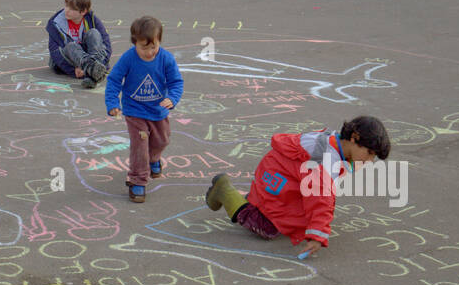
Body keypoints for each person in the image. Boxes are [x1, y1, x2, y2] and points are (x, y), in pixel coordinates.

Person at [205, 116, 392, 256]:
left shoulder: (335, 143)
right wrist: (318, 236)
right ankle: (225, 190)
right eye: (368, 153)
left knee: (297, 218)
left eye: (373, 157)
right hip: (276, 177)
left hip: (284, 176)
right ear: (354, 137)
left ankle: (253, 199)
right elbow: (321, 198)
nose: (369, 160)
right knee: (268, 227)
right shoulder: (324, 161)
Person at [105, 16, 184, 203]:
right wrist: (112, 104)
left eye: (153, 47)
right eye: (143, 47)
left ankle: (154, 158)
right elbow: (114, 80)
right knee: (140, 146)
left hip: (158, 111)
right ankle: (137, 181)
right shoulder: (128, 58)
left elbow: (175, 82)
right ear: (135, 43)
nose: (149, 52)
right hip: (135, 111)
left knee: (162, 141)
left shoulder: (165, 58)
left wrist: (172, 98)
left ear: (160, 42)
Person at [46, 0, 112, 89]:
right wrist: (73, 70)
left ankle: (93, 71)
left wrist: (102, 63)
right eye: (66, 6)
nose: (67, 10)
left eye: (72, 9)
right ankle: (92, 71)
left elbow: (106, 44)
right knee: (71, 46)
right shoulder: (56, 22)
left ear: (83, 11)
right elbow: (55, 52)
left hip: (88, 57)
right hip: (70, 60)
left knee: (94, 33)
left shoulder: (92, 19)